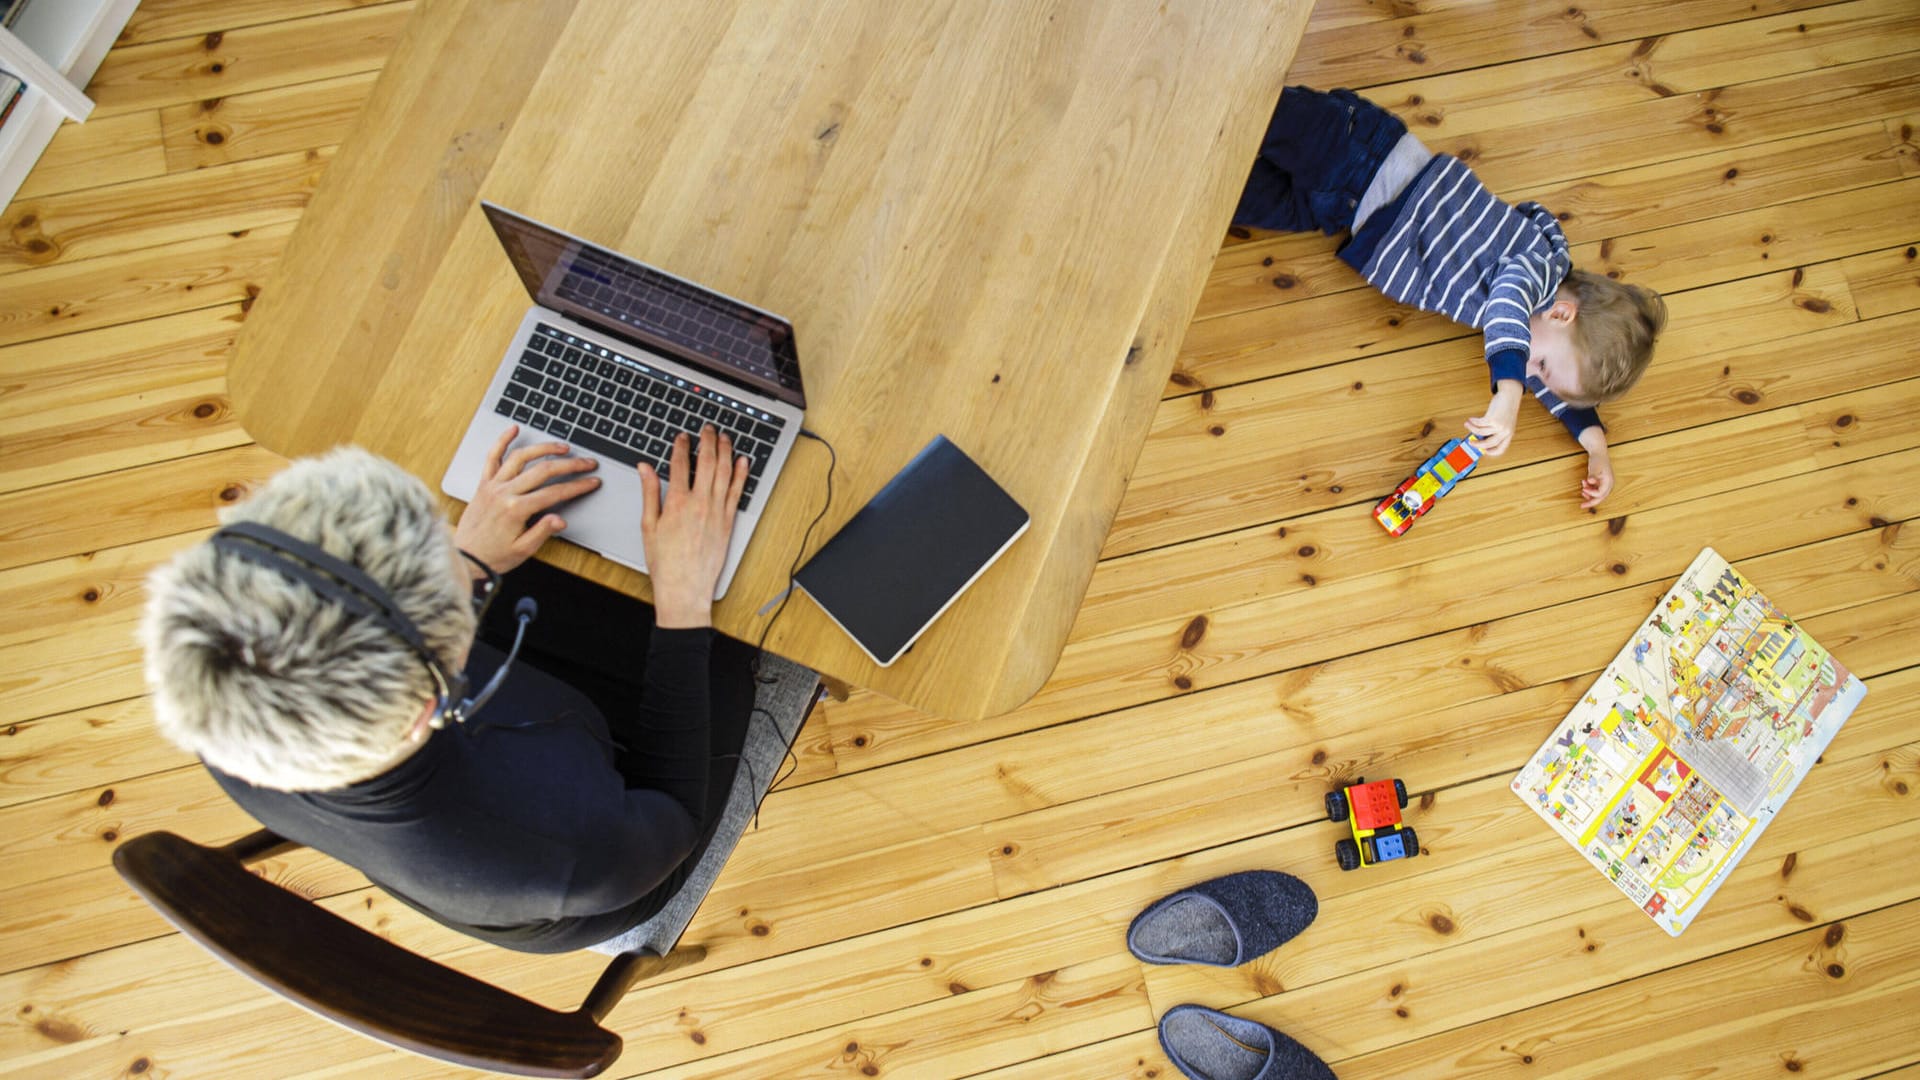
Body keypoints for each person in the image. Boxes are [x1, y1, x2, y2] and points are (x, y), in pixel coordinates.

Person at [140, 424, 759, 952]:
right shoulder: (576, 852)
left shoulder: (218, 698)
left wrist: (468, 555)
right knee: (741, 636)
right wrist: (683, 600)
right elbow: (675, 814)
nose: (454, 550)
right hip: (628, 859)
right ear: (431, 710)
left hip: (470, 840)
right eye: (452, 581)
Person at [1235, 86, 1667, 509]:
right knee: (1243, 108)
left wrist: (1596, 447)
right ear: (1560, 313)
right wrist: (1508, 390)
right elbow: (1509, 301)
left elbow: (1547, 381)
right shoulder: (1538, 266)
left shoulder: (1540, 329)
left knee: (1225, 191)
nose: (1532, 375)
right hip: (1358, 155)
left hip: (1340, 210)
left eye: (1537, 374)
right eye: (1541, 365)